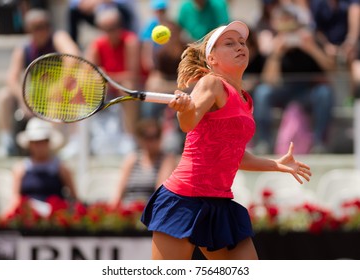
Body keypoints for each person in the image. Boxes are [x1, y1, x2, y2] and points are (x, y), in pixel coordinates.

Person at [140, 20, 312, 260]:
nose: (239, 46)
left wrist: (276, 164)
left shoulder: (245, 100)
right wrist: (184, 109)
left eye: (242, 42)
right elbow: (187, 123)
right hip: (183, 199)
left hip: (219, 203)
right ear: (212, 59)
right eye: (229, 43)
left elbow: (232, 154)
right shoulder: (211, 83)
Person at [0, 9, 80, 157]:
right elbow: (11, 78)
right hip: (34, 96)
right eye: (36, 27)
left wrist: (57, 87)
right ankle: (7, 143)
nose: (41, 31)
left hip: (59, 94)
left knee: (58, 99)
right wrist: (23, 99)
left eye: (44, 25)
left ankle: (55, 145)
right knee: (4, 96)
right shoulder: (24, 48)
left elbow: (74, 58)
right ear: (28, 29)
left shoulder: (58, 38)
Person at [252, 4, 336, 154]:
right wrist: (276, 55)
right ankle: (264, 142)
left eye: (289, 22)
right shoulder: (274, 44)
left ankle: (319, 142)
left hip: (307, 92)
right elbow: (268, 80)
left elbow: (331, 69)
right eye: (282, 22)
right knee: (262, 92)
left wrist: (312, 49)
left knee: (324, 92)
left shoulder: (311, 38)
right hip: (282, 91)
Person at [84, 7, 141, 155]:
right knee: (86, 86)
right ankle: (83, 140)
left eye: (113, 27)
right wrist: (99, 76)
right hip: (108, 88)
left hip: (126, 86)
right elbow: (88, 72)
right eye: (105, 28)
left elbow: (133, 75)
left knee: (128, 87)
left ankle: (130, 137)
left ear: (120, 26)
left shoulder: (130, 41)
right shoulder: (97, 44)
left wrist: (106, 76)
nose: (110, 32)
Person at [4, 117, 78, 217]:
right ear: (30, 144)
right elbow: (15, 198)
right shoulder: (20, 168)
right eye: (36, 142)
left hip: (55, 217)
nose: (40, 146)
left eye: (43, 141)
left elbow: (74, 197)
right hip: (29, 217)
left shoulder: (61, 168)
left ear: (48, 142)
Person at [110, 118, 177, 210]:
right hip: (129, 211)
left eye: (155, 136)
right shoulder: (132, 159)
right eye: (147, 137)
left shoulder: (166, 160)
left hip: (151, 211)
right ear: (140, 138)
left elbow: (160, 193)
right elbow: (119, 193)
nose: (151, 141)